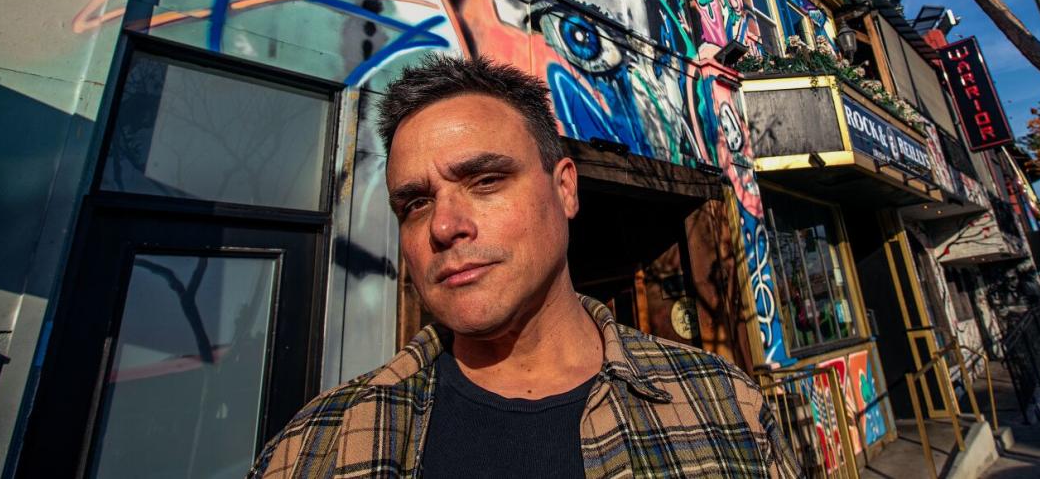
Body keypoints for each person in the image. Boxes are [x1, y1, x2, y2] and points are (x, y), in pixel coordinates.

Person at [248, 54, 799, 478]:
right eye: (415, 203)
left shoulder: (723, 404)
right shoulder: (315, 447)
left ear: (564, 189)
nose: (443, 227)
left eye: (485, 181)